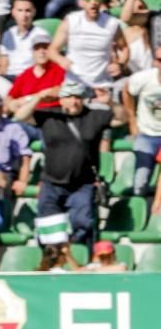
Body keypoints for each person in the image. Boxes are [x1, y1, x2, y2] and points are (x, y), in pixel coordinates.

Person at [13, 78, 112, 247]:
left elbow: (122, 117)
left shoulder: (94, 115)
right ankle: (52, 263)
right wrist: (39, 97)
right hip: (52, 183)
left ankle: (80, 260)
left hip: (83, 184)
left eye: (78, 97)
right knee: (48, 227)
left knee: (83, 224)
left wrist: (111, 101)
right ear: (61, 99)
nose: (74, 102)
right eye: (69, 97)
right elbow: (19, 116)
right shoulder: (50, 116)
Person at [49, 0, 128, 90]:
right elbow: (52, 51)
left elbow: (125, 48)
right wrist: (61, 60)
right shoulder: (71, 21)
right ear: (81, 2)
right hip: (74, 85)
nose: (93, 2)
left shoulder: (112, 23)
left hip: (102, 85)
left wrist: (120, 64)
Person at [122, 45, 161, 197]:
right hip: (147, 133)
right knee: (140, 181)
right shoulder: (143, 78)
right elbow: (126, 90)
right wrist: (132, 119)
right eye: (160, 59)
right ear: (155, 62)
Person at [6, 32, 63, 118]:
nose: (41, 52)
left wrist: (27, 99)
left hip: (52, 113)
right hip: (28, 115)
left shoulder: (58, 69)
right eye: (37, 48)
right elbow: (10, 98)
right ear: (32, 52)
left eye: (45, 47)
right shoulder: (25, 75)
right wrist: (12, 105)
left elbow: (57, 91)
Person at [0, 0, 49, 80]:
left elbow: (44, 63)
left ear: (34, 12)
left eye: (28, 11)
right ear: (13, 12)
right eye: (20, 10)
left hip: (30, 78)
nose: (24, 15)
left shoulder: (41, 35)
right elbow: (4, 63)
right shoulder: (8, 34)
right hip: (9, 78)